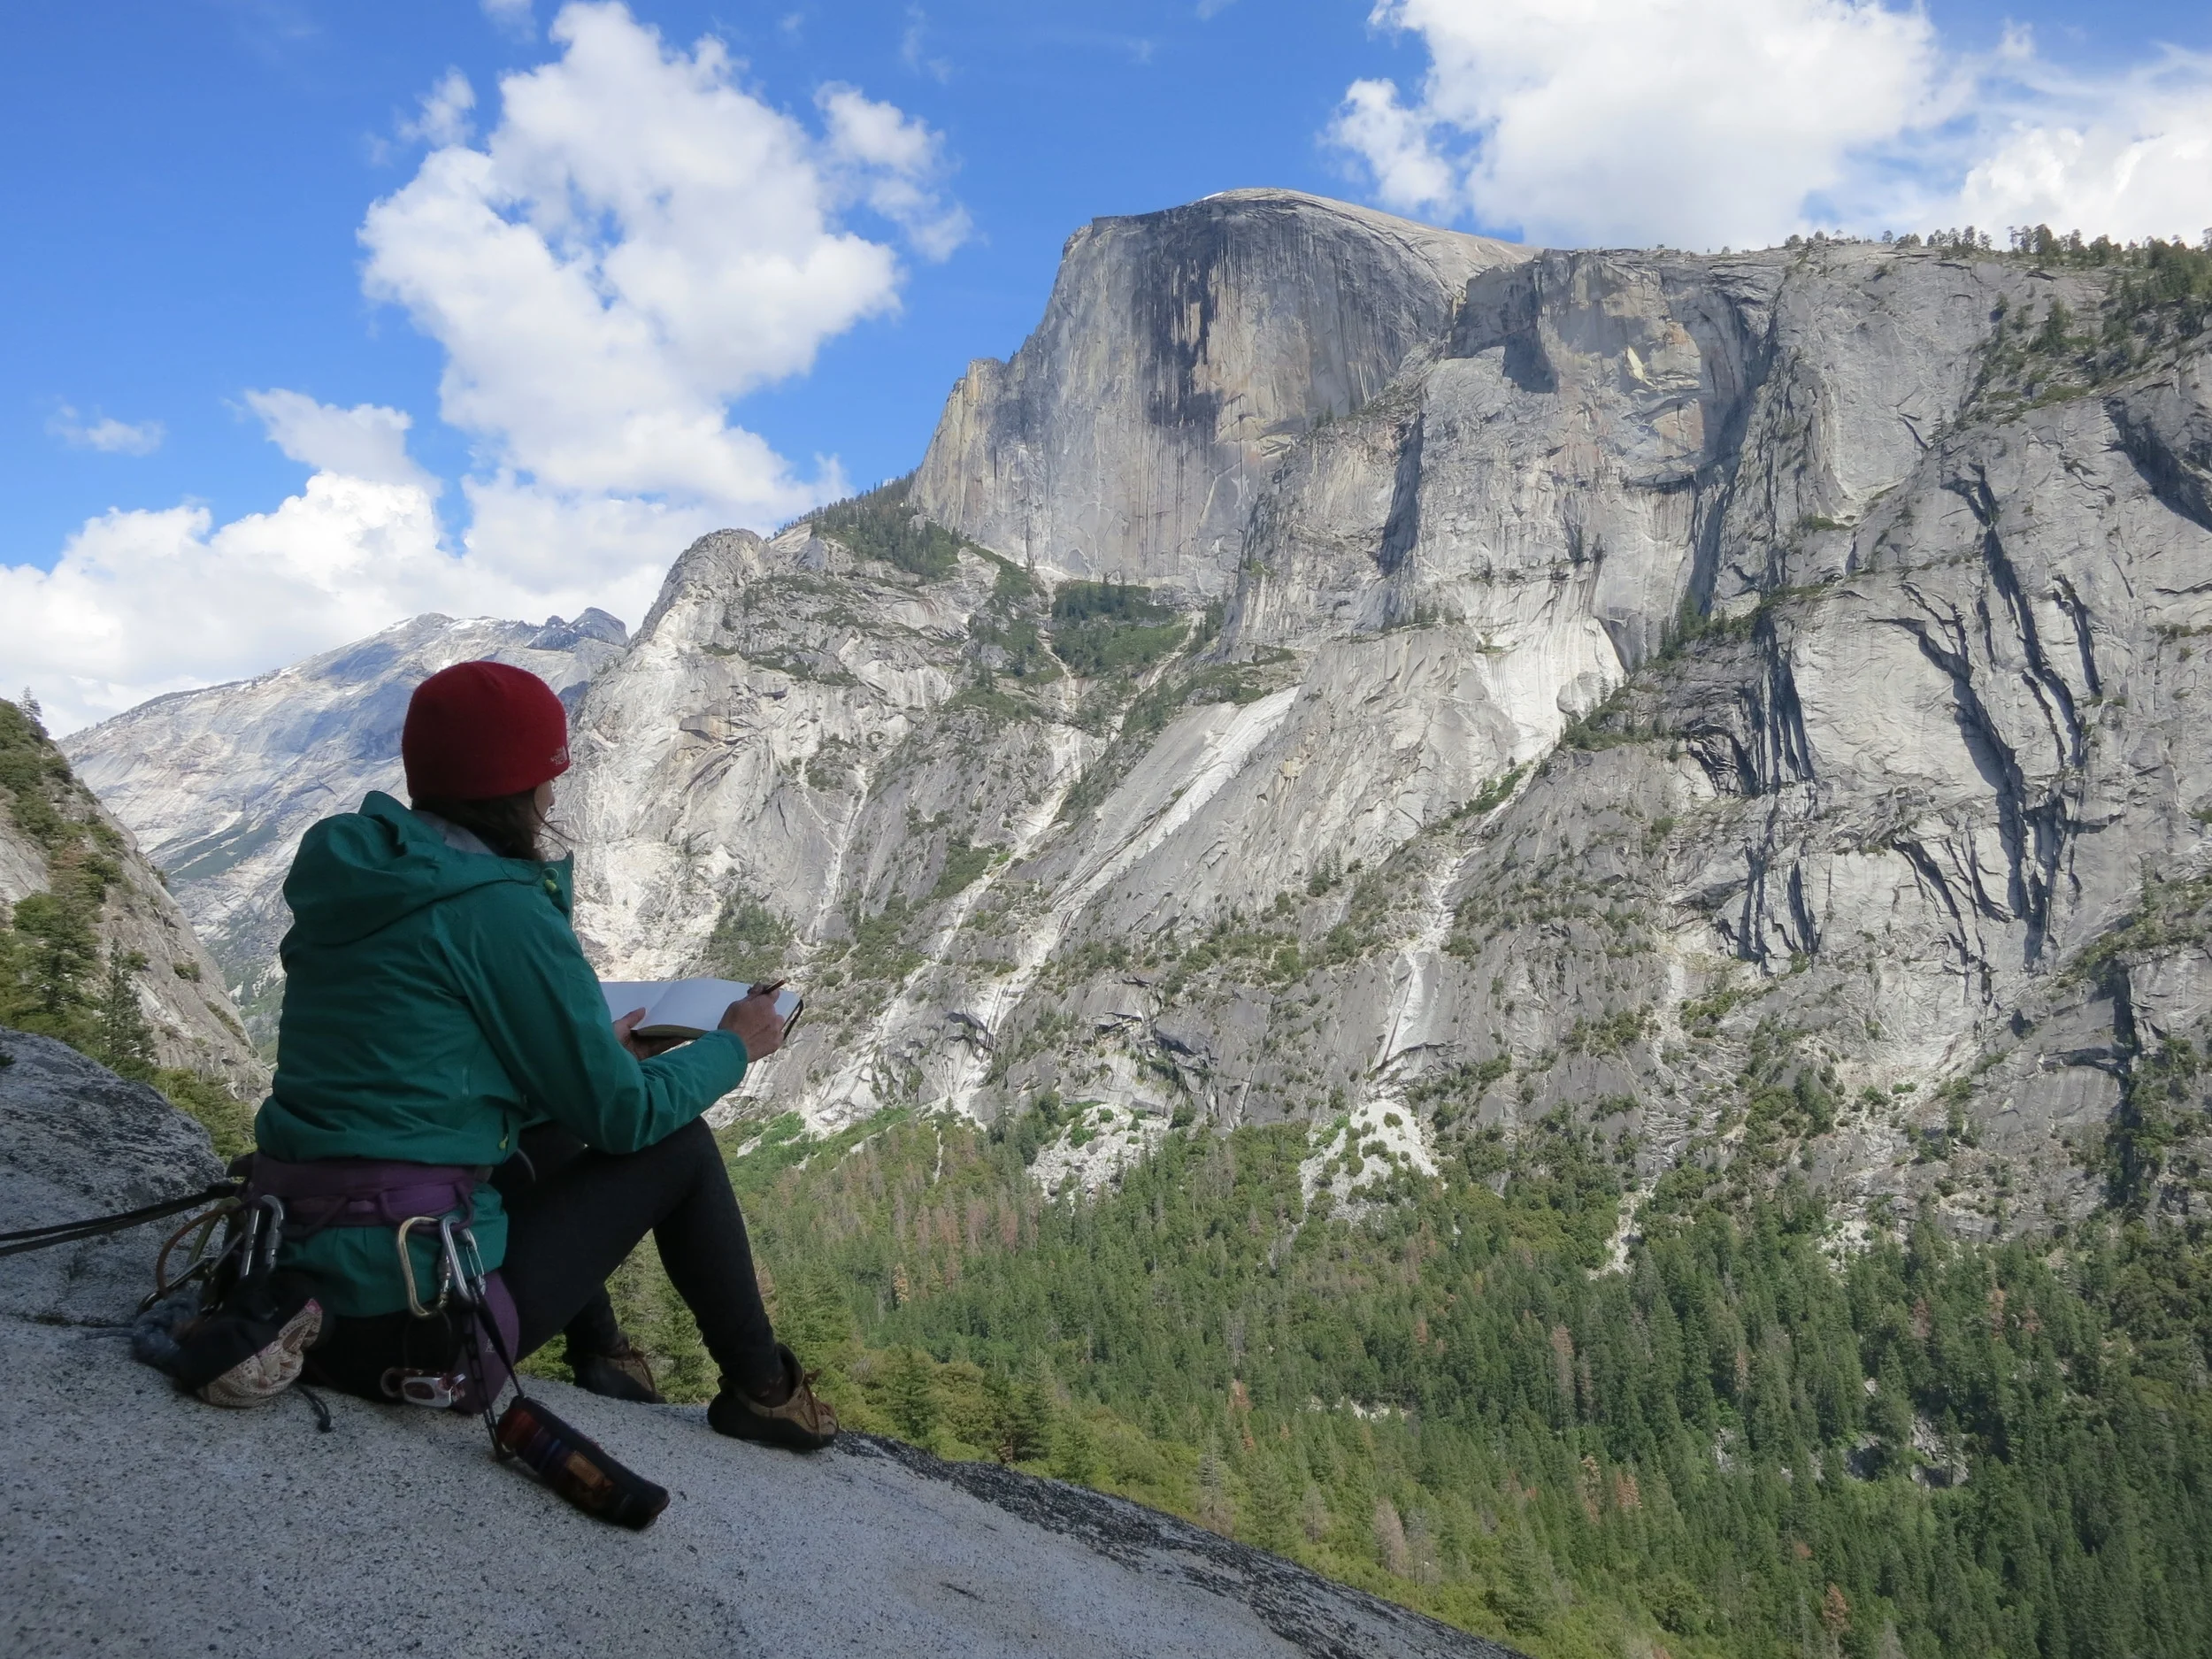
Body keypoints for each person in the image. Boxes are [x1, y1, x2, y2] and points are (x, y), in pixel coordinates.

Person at [251, 659, 833, 1449]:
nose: (554, 797)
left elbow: (412, 1077)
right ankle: (766, 1393)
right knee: (678, 1145)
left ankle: (606, 1356)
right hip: (411, 1323)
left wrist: (594, 1051)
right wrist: (734, 1045)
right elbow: (626, 1117)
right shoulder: (497, 909)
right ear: (521, 789)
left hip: (292, 1269)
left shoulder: (360, 875)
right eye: (547, 778)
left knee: (558, 1131)